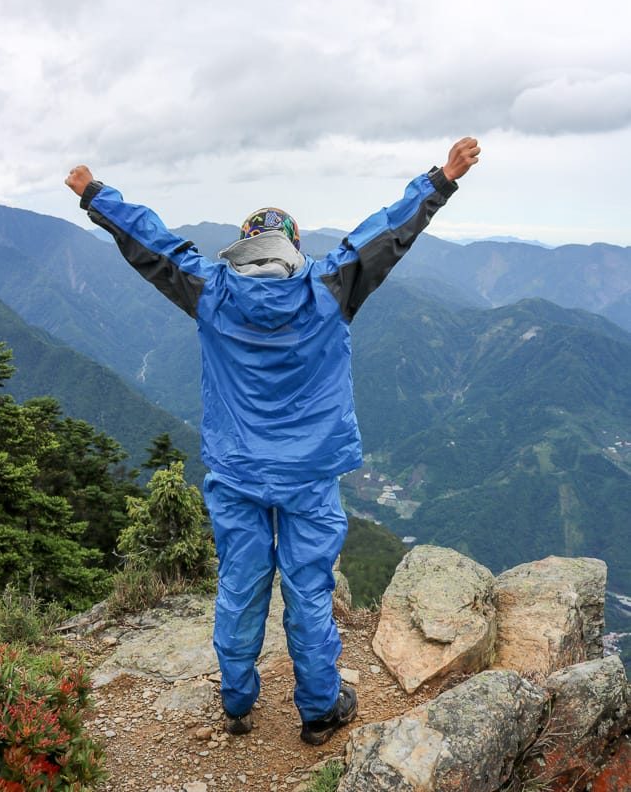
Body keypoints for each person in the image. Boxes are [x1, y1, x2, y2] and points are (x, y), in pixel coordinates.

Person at [65, 136, 480, 745]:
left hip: (237, 472)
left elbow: (154, 246)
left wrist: (96, 196)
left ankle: (237, 703)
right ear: (294, 247)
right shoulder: (330, 286)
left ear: (242, 248)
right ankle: (318, 710)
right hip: (309, 475)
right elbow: (388, 233)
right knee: (308, 590)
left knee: (240, 584)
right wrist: (440, 180)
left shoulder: (211, 290)